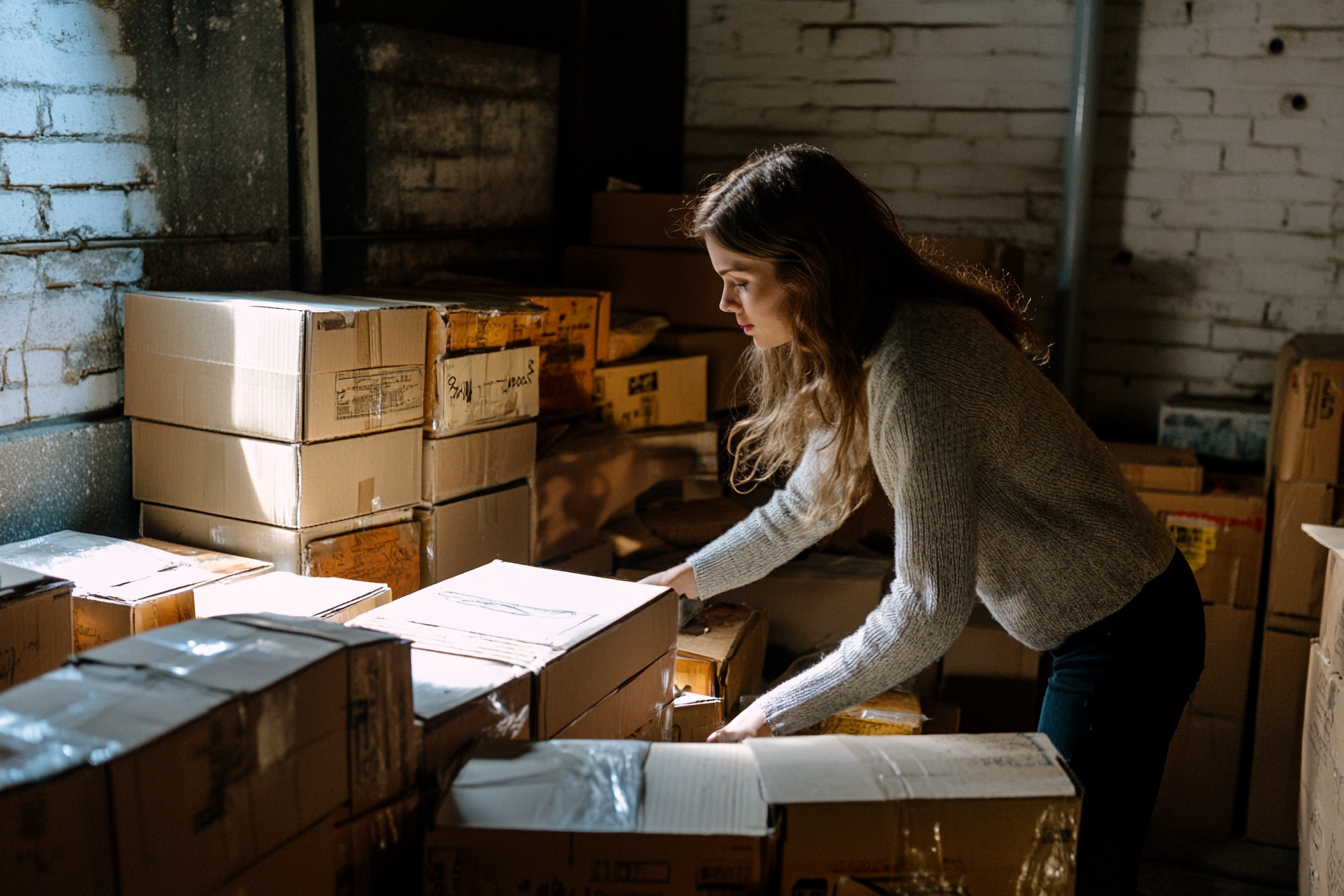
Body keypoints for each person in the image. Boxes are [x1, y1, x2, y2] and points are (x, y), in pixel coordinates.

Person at [640, 145, 1204, 896]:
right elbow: (805, 509)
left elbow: (928, 610)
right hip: (1104, 624)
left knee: (1069, 875)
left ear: (807, 271)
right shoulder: (869, 343)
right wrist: (682, 583)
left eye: (739, 282)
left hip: (1128, 632)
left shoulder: (916, 370)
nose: (724, 305)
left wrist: (770, 716)